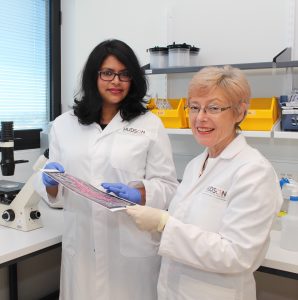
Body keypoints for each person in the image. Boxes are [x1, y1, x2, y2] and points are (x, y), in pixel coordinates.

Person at [126, 65, 283, 300]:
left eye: (214, 108)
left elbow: (237, 254)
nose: (200, 118)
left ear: (240, 112)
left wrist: (163, 224)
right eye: (195, 107)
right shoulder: (195, 165)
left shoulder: (254, 172)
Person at [40, 39, 178, 300]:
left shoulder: (150, 124)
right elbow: (55, 192)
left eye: (124, 74)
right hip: (81, 246)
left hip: (130, 248)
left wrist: (140, 193)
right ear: (94, 76)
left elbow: (169, 187)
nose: (116, 81)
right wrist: (49, 182)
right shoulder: (63, 125)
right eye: (108, 73)